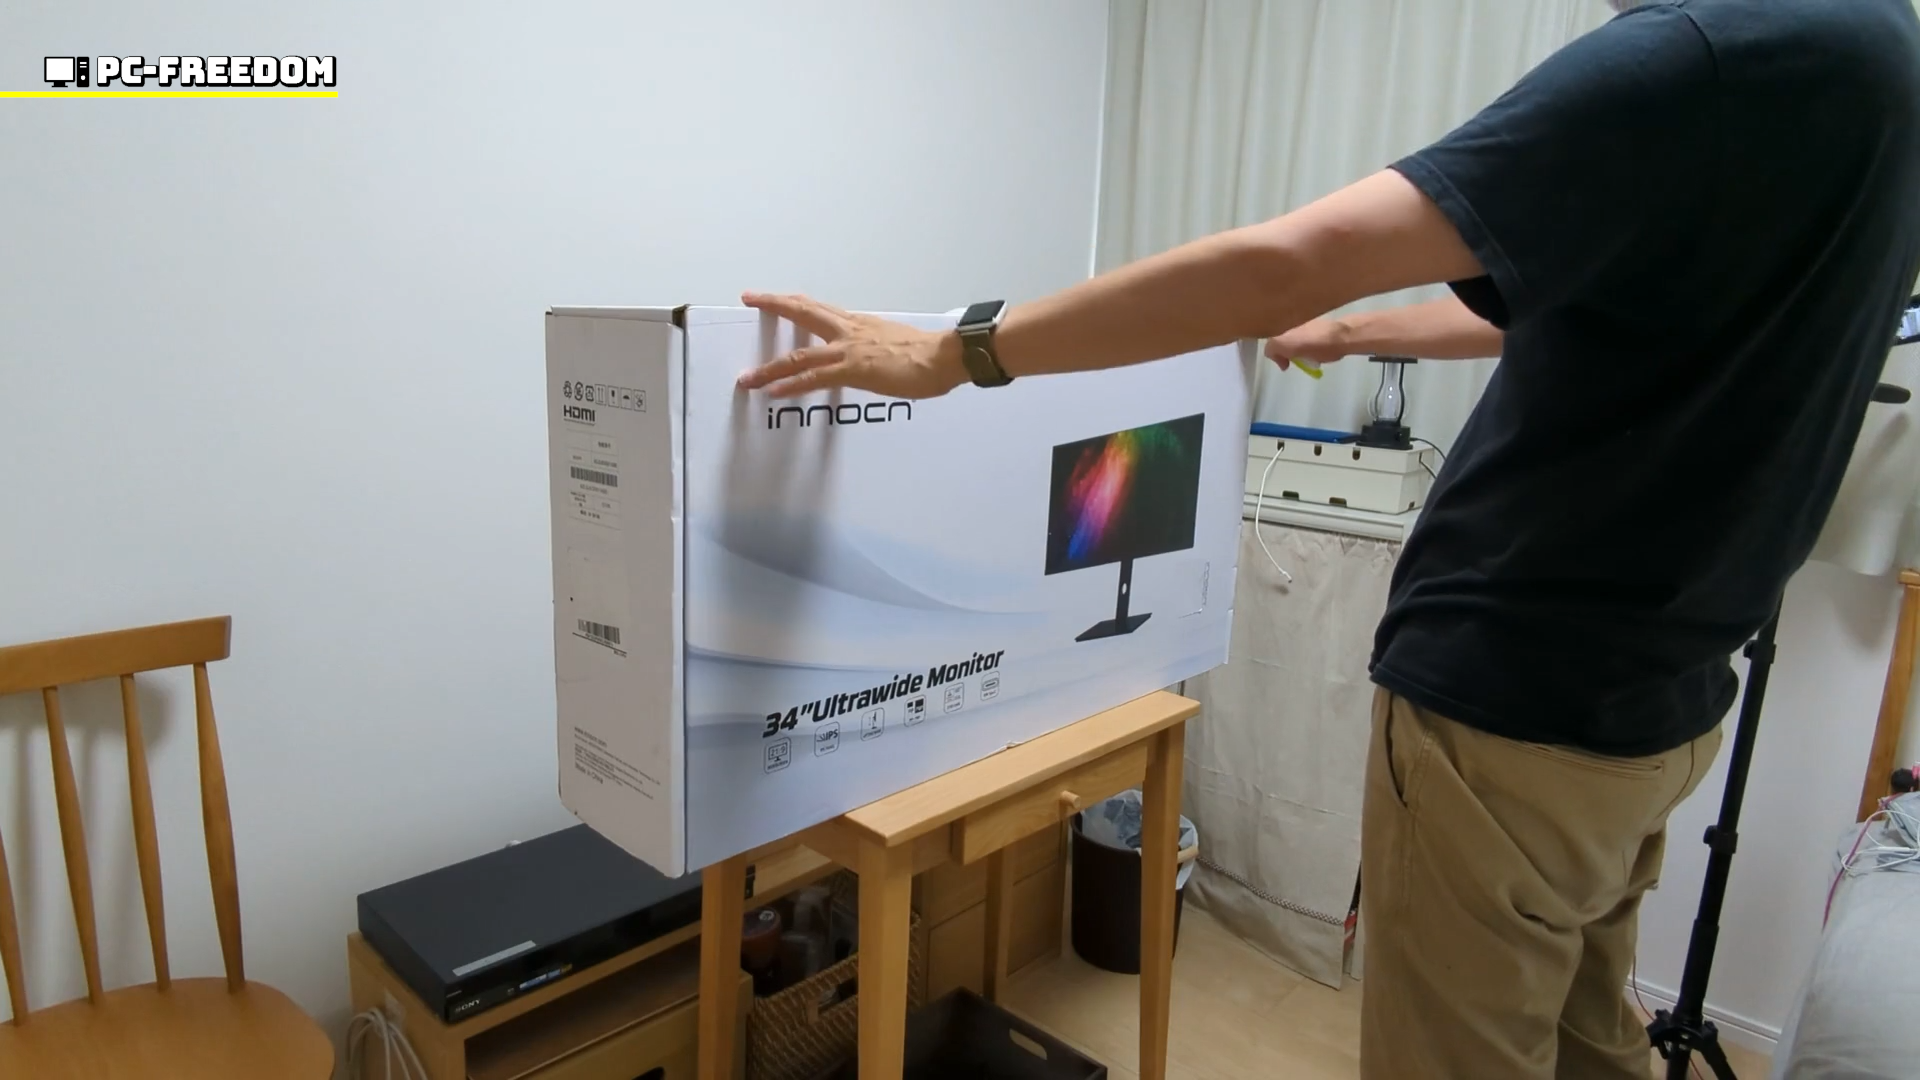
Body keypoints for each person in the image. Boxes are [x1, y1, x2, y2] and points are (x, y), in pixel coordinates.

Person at [736, 1, 1920, 1076]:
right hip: (1662, 705)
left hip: (1518, 704)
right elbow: (1607, 302)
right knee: (1586, 1041)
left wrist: (957, 352)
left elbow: (1283, 262)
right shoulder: (1881, 60)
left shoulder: (1693, 61)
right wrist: (1355, 334)